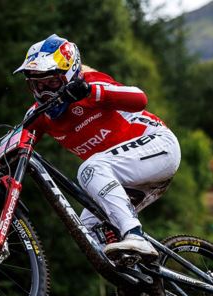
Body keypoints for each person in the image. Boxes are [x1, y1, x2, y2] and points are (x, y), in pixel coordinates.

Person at [14, 34, 178, 262]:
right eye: (37, 85)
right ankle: (145, 287)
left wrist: (91, 92)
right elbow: (12, 145)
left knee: (90, 169)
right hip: (129, 176)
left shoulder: (90, 84)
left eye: (51, 82)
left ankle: (134, 235)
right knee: (89, 233)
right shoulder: (38, 115)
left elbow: (139, 98)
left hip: (158, 146)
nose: (45, 92)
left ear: (69, 75)